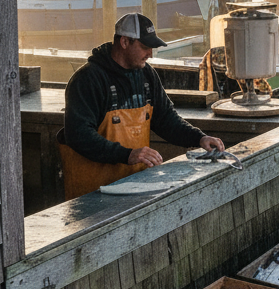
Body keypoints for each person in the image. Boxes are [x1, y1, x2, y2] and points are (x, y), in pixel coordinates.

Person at [58, 13, 226, 199]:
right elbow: (78, 135)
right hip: (91, 194)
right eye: (145, 47)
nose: (150, 54)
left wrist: (199, 138)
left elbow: (166, 120)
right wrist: (126, 154)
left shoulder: (147, 75)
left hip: (134, 188)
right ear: (124, 42)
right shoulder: (88, 80)